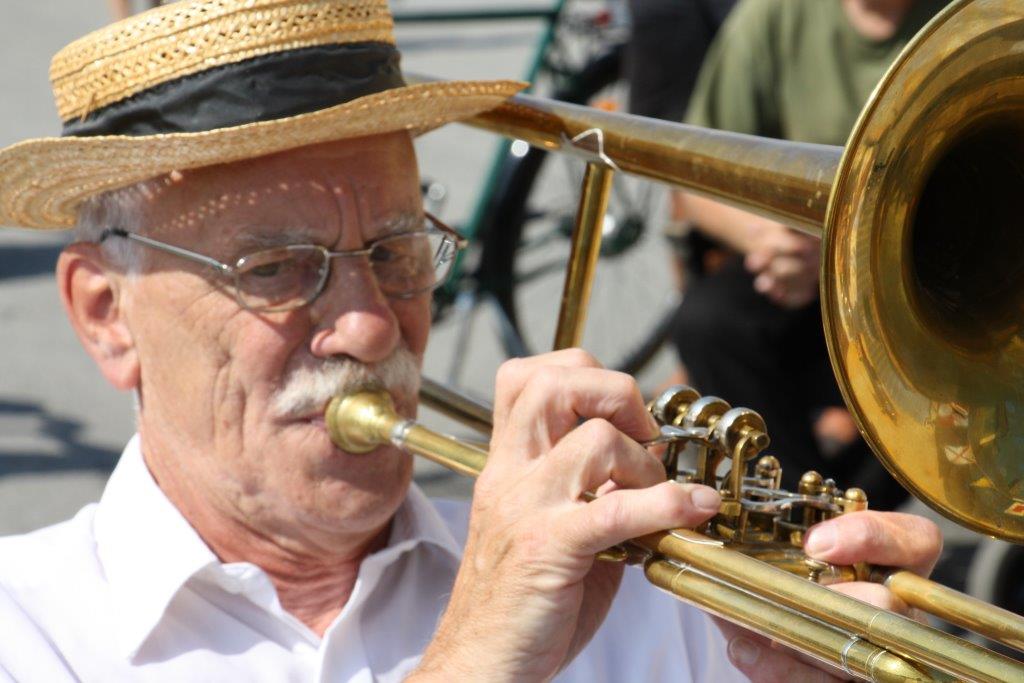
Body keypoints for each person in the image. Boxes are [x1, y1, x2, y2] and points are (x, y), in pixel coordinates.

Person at [0, 1, 942, 681]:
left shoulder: (646, 587)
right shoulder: (25, 629)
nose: (373, 323)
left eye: (398, 249)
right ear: (104, 313)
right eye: (277, 269)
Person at [671, 0, 948, 508]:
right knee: (710, 322)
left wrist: (838, 254)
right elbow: (693, 186)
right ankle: (794, 513)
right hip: (810, 268)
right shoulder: (772, 16)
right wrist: (766, 238)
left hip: (937, 277)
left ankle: (860, 515)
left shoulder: (974, 17)